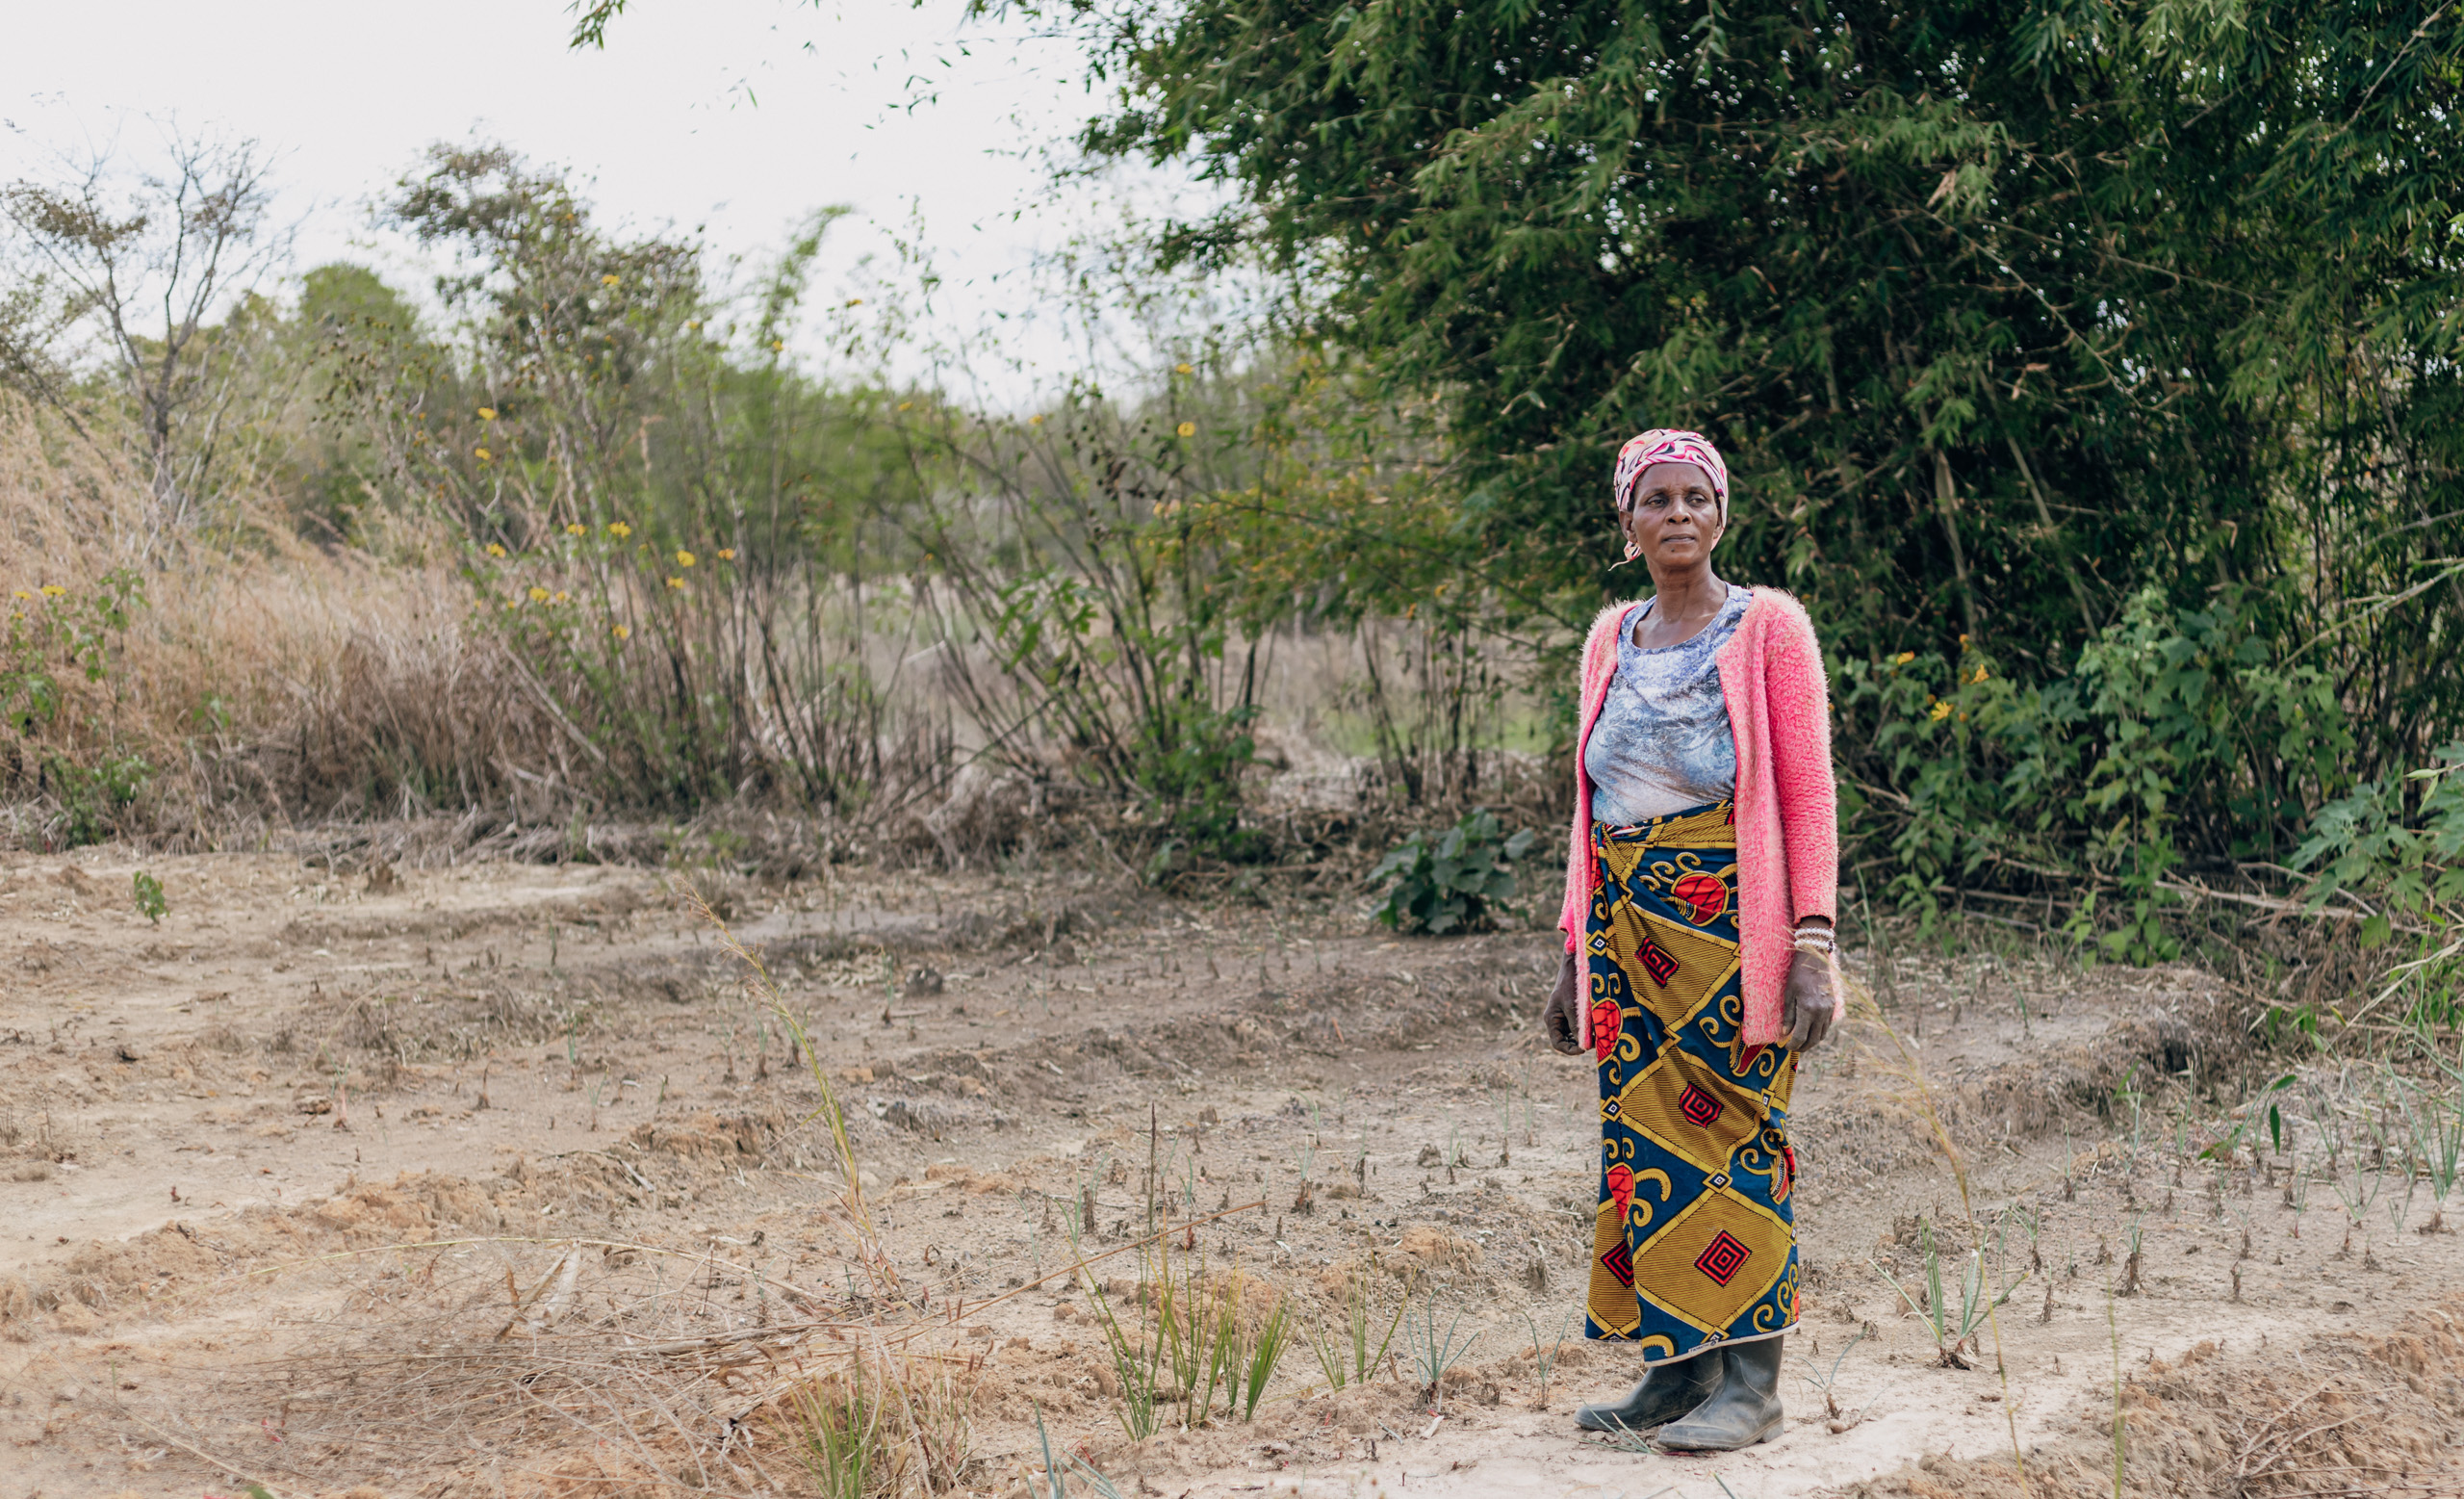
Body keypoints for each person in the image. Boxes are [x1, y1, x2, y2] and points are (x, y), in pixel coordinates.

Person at [1539, 428, 1842, 1452]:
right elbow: (1588, 806)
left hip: (1728, 929)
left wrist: (1812, 943)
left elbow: (1807, 793)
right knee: (1643, 1147)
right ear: (1626, 522)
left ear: (1721, 515)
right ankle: (1674, 1375)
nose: (1676, 514)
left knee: (1736, 1139)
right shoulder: (1609, 637)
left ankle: (1753, 1389)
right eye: (1655, 499)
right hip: (1626, 932)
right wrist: (1574, 951)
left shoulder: (1769, 627)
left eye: (1694, 498)